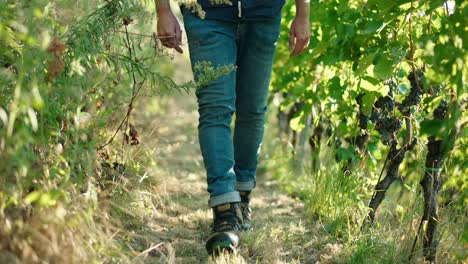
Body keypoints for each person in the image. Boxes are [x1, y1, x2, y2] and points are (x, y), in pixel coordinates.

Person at [155, 0, 310, 255]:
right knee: (215, 110)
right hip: (205, 13)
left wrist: (303, 13)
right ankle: (225, 210)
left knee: (252, 110)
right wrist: (163, 10)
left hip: (264, 12)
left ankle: (242, 196)